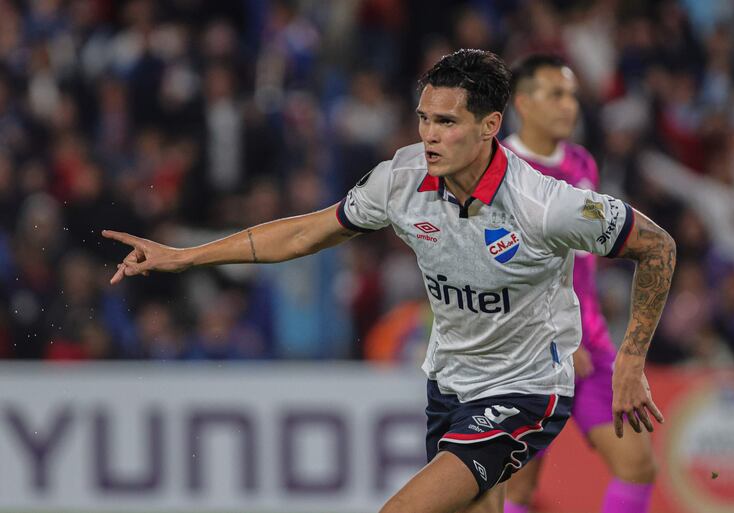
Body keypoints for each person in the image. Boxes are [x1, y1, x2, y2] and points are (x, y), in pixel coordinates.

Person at [103, 49, 676, 513]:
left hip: (526, 391)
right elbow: (304, 234)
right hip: (449, 385)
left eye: (446, 122)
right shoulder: (400, 180)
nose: (429, 135)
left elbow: (658, 247)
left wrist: (629, 362)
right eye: (424, 118)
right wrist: (185, 257)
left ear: (489, 126)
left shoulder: (543, 204)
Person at [501, 54, 658, 513]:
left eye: (572, 94)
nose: (569, 105)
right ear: (524, 103)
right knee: (521, 490)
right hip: (527, 351)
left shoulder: (581, 161)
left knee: (638, 466)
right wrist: (555, 336)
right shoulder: (501, 171)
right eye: (556, 94)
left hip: (591, 345)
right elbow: (503, 272)